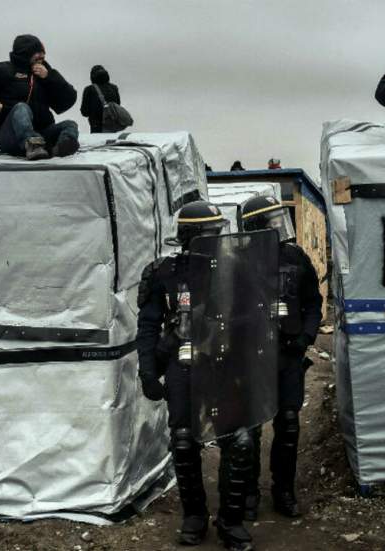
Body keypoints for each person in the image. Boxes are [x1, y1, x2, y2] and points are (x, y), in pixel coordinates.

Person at [136, 201, 257, 551]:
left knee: (240, 441)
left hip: (224, 365)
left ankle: (231, 522)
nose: (218, 239)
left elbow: (254, 318)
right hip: (183, 366)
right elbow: (147, 326)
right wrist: (147, 370)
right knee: (185, 441)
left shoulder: (234, 270)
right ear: (190, 238)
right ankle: (194, 516)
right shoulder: (164, 273)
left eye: (218, 233)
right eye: (210, 234)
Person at [238, 195, 322, 521]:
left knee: (287, 425)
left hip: (288, 355)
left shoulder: (296, 257)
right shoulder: (237, 261)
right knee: (251, 429)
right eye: (271, 222)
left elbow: (313, 302)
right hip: (252, 358)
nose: (278, 227)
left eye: (278, 220)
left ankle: (283, 490)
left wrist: (305, 338)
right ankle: (248, 493)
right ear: (256, 228)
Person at [0, 34, 79, 160]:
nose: (42, 56)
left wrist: (50, 77)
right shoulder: (2, 70)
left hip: (42, 134)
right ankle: (33, 144)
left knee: (70, 125)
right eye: (37, 52)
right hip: (10, 136)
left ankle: (59, 150)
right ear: (25, 53)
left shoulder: (44, 75)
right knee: (21, 107)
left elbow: (68, 100)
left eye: (43, 53)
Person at [79, 65, 121, 133]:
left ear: (92, 77)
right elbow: (118, 105)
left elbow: (84, 112)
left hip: (96, 128)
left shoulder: (89, 89)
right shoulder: (114, 88)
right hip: (113, 127)